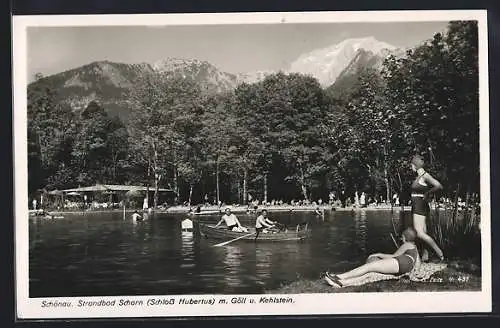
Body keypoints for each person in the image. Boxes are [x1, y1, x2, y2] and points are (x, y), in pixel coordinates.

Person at [324, 227, 420, 288]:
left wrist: (378, 254)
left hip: (401, 263)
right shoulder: (414, 248)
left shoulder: (407, 244)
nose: (401, 239)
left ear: (405, 237)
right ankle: (342, 283)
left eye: (402, 237)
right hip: (405, 266)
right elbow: (417, 264)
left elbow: (393, 256)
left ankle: (339, 277)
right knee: (370, 273)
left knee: (368, 267)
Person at [410, 154, 444, 262]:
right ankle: (425, 256)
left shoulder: (424, 175)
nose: (411, 167)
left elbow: (438, 185)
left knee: (419, 232)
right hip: (419, 204)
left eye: (412, 165)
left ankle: (440, 253)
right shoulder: (419, 176)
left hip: (419, 205)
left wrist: (428, 193)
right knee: (424, 231)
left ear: (415, 165)